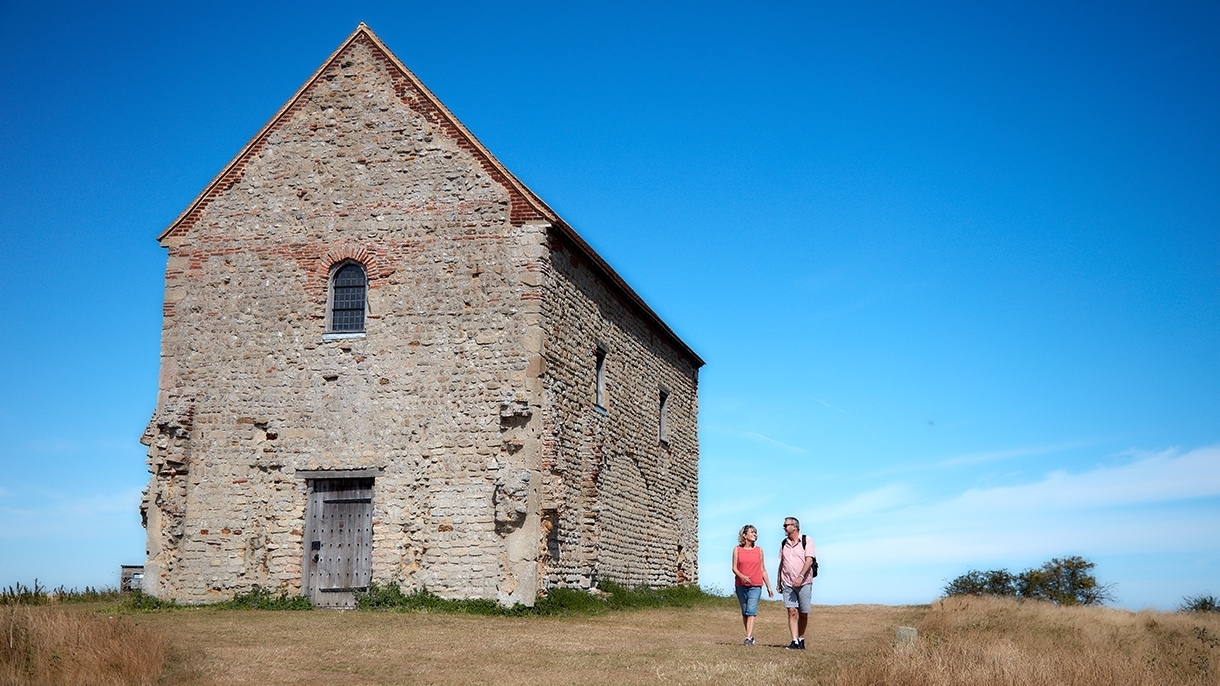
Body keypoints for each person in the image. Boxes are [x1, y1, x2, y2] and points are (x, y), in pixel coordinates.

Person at [776, 516, 816, 650]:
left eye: (786, 525)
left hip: (804, 582)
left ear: (794, 527)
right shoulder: (783, 543)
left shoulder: (806, 540)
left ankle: (801, 638)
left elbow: (809, 560)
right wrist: (779, 580)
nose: (784, 527)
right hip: (788, 582)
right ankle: (794, 641)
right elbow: (782, 562)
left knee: (803, 613)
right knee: (792, 611)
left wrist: (800, 576)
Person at [731, 524, 774, 646]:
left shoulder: (759, 550)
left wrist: (769, 586)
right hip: (740, 585)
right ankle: (749, 636)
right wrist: (742, 576)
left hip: (756, 585)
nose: (755, 534)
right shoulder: (737, 550)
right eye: (752, 532)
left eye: (755, 532)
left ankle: (748, 638)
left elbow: (763, 569)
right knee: (745, 612)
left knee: (751, 610)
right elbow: (734, 568)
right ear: (744, 535)